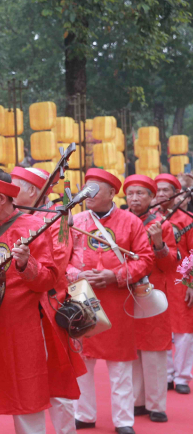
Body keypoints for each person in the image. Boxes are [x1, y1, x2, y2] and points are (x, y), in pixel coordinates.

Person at [0, 167, 59, 434]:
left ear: (3, 198)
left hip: (19, 332)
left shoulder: (33, 228)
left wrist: (25, 264)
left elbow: (48, 280)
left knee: (27, 403)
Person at [67, 169, 153, 434]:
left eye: (94, 189)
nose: (88, 194)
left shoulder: (130, 222)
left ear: (112, 193)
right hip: (83, 300)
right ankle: (84, 414)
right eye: (86, 189)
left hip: (117, 303)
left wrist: (115, 275)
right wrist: (79, 275)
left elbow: (145, 259)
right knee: (83, 364)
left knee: (120, 366)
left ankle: (124, 420)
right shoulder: (75, 220)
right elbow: (62, 261)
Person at [11, 166, 86, 434]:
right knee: (24, 381)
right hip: (17, 312)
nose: (8, 189)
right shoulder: (10, 218)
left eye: (13, 184)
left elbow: (56, 263)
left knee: (57, 379)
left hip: (49, 308)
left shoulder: (58, 219)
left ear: (32, 190)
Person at [123, 174, 175, 422]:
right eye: (130, 193)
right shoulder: (120, 221)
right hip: (126, 291)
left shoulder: (163, 224)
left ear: (152, 197)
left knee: (154, 349)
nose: (134, 198)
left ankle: (156, 405)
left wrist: (158, 243)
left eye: (140, 193)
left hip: (153, 291)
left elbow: (169, 265)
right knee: (132, 348)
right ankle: (137, 401)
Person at [155, 173, 193, 395]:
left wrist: (190, 283)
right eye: (157, 190)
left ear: (177, 193)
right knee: (161, 328)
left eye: (165, 190)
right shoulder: (148, 218)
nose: (161, 194)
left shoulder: (187, 221)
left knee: (184, 331)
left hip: (181, 278)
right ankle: (166, 374)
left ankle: (182, 376)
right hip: (157, 279)